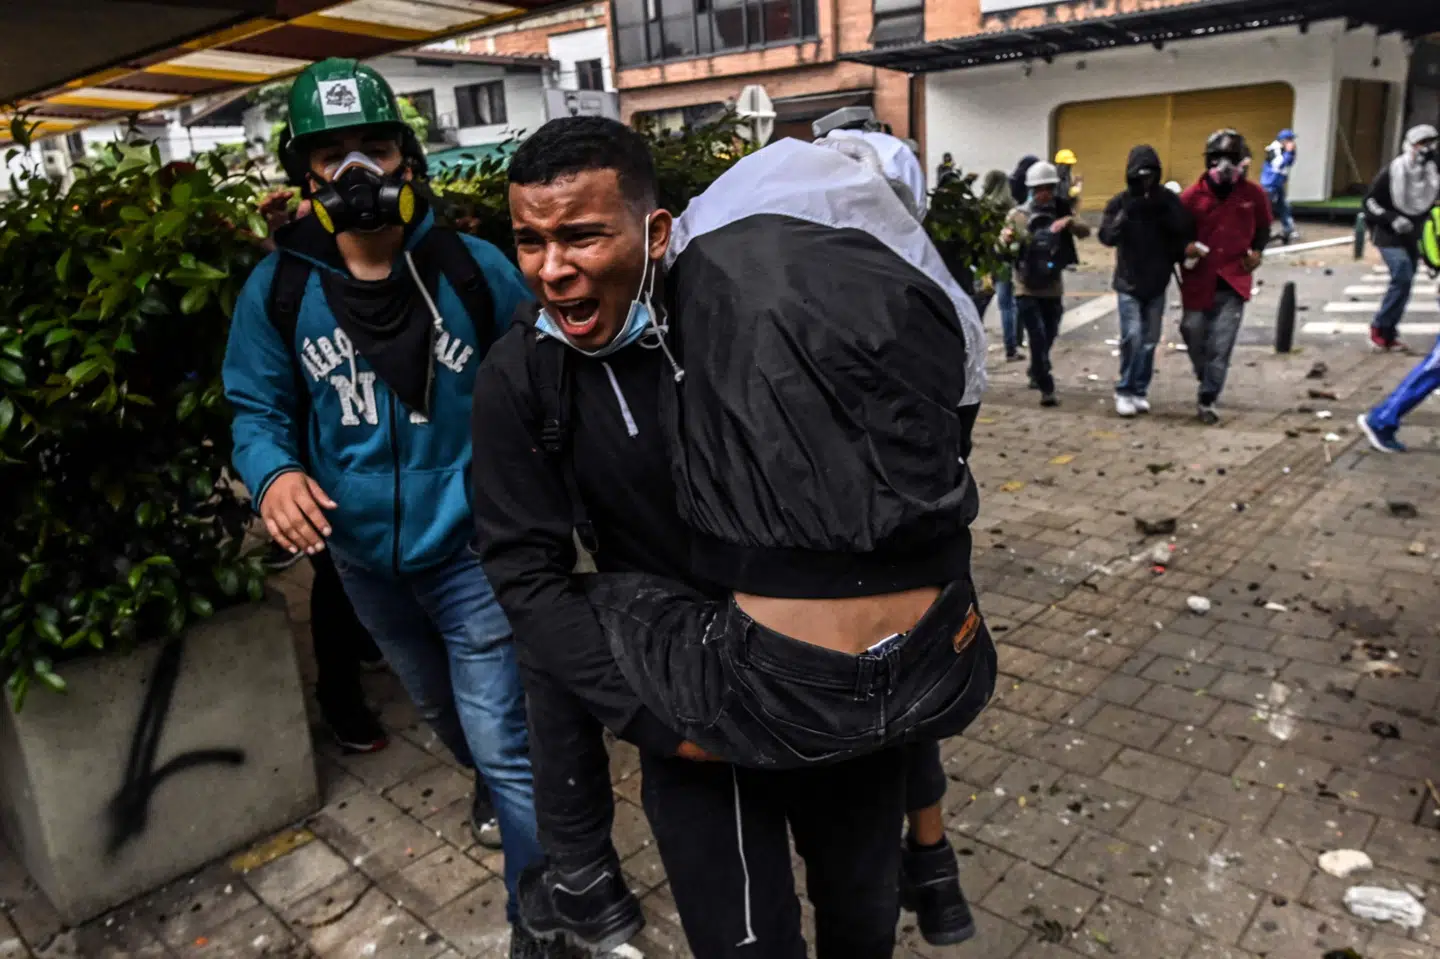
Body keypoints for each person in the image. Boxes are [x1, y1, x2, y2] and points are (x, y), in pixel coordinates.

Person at [471, 118, 994, 958]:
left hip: (830, 691)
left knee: (861, 920)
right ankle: (577, 872)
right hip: (693, 718)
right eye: (529, 242)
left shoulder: (753, 320)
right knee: (745, 945)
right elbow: (526, 577)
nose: (551, 268)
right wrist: (657, 720)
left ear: (657, 233)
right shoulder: (522, 378)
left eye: (580, 236)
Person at [221, 58, 543, 952]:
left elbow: (545, 376)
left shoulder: (472, 272)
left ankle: (540, 919)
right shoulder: (279, 290)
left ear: (407, 156)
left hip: (474, 553)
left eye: (375, 146)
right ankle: (489, 778)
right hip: (362, 564)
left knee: (506, 738)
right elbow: (257, 406)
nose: (357, 171)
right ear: (305, 175)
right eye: (332, 154)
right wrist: (273, 471)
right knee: (446, 716)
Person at [1177, 129, 1272, 426]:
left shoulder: (1253, 195)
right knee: (1192, 330)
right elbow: (1176, 234)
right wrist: (1187, 248)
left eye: (1231, 159)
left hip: (1234, 278)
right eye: (1218, 159)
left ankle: (1207, 398)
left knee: (1222, 342)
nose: (1224, 165)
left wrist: (1257, 252)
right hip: (1199, 280)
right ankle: (1205, 375)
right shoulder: (1191, 197)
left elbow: (1264, 229)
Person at [1098, 145, 1195, 417]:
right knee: (1133, 336)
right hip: (1129, 281)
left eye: (1151, 175)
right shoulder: (1122, 202)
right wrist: (1127, 214)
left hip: (1157, 280)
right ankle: (1125, 388)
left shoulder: (1167, 202)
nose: (1147, 182)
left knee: (1150, 339)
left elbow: (1182, 231)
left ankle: (1139, 389)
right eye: (1141, 176)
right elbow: (1107, 236)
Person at [1003, 160, 1090, 407]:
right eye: (1040, 188)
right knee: (1038, 336)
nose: (1045, 193)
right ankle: (1046, 385)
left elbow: (1085, 232)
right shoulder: (1018, 215)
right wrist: (1007, 239)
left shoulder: (1061, 210)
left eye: (1049, 188)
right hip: (1025, 286)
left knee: (1050, 332)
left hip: (1052, 285)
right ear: (1031, 189)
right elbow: (1002, 245)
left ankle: (1036, 366)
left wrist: (1070, 222)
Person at [1363, 124, 1440, 353]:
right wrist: (1391, 218)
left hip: (1414, 233)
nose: (1427, 149)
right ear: (1410, 145)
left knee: (1405, 283)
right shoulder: (1393, 171)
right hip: (1387, 231)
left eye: (1431, 143)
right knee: (1402, 272)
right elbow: (1369, 202)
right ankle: (1379, 327)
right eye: (1422, 144)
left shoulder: (1432, 172)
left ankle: (1388, 333)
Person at [981, 169, 1024, 361]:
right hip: (1005, 262)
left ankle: (972, 344)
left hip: (985, 262)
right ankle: (1011, 349)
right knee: (1007, 306)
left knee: (979, 304)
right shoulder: (1012, 208)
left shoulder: (981, 207)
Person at [1262, 129, 1298, 244]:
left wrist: (1292, 152)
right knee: (1266, 208)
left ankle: (1289, 229)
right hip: (1270, 183)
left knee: (1284, 206)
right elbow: (1278, 164)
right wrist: (1288, 152)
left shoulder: (1284, 149)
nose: (1292, 142)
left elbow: (1289, 163)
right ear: (1283, 140)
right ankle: (1262, 232)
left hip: (1278, 183)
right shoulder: (1274, 149)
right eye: (1290, 140)